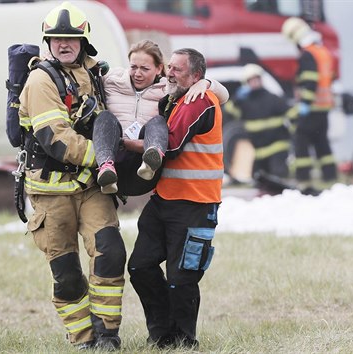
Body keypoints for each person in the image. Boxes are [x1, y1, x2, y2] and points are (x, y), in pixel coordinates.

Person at [17, 2, 125, 350]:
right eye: (56, 39)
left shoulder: (95, 73)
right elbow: (55, 138)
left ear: (84, 43)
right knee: (66, 275)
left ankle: (108, 334)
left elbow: (146, 83)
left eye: (70, 39)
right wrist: (106, 158)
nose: (63, 44)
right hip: (51, 193)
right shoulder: (40, 79)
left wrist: (206, 81)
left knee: (109, 252)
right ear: (47, 43)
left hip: (91, 187)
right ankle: (83, 338)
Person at [127, 48, 223, 349]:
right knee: (140, 266)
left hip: (195, 204)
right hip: (165, 200)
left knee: (182, 278)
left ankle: (184, 341)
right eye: (168, 67)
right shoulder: (176, 98)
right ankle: (162, 335)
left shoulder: (200, 101)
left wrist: (127, 145)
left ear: (195, 76)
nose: (170, 73)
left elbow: (171, 146)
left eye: (177, 69)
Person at [93, 39, 229, 196]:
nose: (137, 73)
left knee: (158, 121)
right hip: (113, 161)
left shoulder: (169, 89)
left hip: (142, 169)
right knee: (104, 117)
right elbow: (83, 71)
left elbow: (223, 95)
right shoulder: (112, 81)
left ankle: (154, 155)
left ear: (159, 68)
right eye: (133, 67)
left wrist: (206, 82)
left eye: (144, 68)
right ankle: (105, 166)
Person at [281, 17, 338, 189]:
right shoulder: (322, 51)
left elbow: (310, 81)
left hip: (311, 107)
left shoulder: (307, 55)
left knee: (301, 141)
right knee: (322, 142)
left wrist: (304, 103)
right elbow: (330, 78)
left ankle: (304, 179)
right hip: (324, 107)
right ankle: (330, 176)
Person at [222, 63, 292, 187]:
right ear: (246, 83)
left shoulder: (272, 98)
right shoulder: (243, 102)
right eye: (251, 80)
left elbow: (290, 113)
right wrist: (235, 100)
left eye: (257, 79)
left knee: (279, 174)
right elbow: (228, 114)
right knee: (260, 179)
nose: (255, 82)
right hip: (258, 148)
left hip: (277, 144)